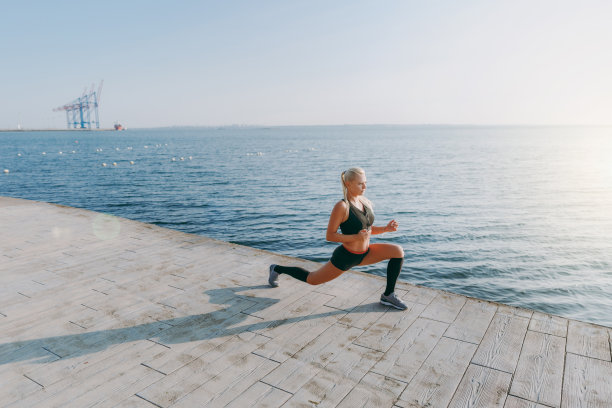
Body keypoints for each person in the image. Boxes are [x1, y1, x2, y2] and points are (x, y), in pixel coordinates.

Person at [268, 167, 408, 310]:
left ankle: (388, 295)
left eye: (365, 182)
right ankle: (277, 268)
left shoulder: (364, 202)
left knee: (397, 251)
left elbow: (368, 230)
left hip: (365, 253)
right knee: (312, 279)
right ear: (348, 184)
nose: (365, 186)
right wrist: (355, 237)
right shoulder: (342, 206)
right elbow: (330, 235)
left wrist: (385, 228)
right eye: (360, 184)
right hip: (346, 257)